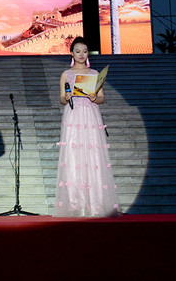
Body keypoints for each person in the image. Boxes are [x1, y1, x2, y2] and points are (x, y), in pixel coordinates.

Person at [53, 36, 120, 217]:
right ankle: (77, 204)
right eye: (77, 51)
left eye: (84, 51)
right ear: (72, 53)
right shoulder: (66, 74)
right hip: (73, 115)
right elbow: (61, 99)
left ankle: (96, 204)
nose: (81, 54)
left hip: (90, 115)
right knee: (74, 155)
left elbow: (101, 98)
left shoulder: (94, 73)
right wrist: (66, 97)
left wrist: (94, 98)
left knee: (93, 155)